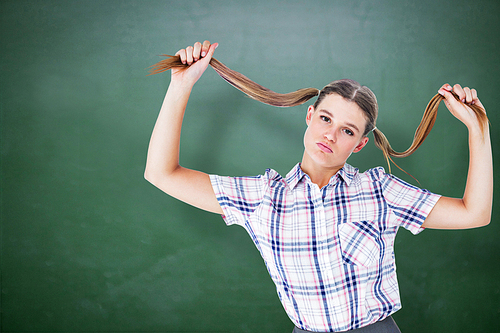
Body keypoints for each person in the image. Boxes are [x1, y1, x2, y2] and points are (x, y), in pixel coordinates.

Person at [144, 41, 493, 332]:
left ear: (358, 145)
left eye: (347, 130)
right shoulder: (262, 197)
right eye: (326, 119)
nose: (330, 134)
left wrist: (478, 130)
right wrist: (181, 84)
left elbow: (474, 213)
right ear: (310, 116)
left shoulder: (380, 191)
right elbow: (162, 173)